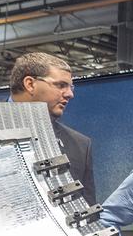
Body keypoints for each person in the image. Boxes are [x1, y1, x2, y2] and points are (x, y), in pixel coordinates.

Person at [9, 52, 96, 205]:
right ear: (30, 84)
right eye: (61, 85)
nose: (70, 94)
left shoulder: (80, 145)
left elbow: (88, 210)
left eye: (71, 87)